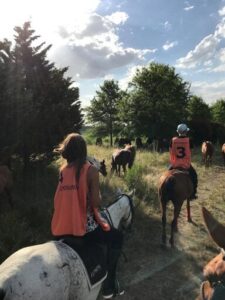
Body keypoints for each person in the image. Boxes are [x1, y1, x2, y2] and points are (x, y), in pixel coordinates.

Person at [51, 133, 124, 299]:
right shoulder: (91, 170)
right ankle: (109, 284)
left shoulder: (62, 170)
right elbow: (96, 203)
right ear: (83, 150)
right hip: (85, 228)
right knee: (117, 237)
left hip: (61, 227)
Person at [169, 123, 198, 199]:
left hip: (175, 164)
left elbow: (170, 151)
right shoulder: (189, 140)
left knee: (167, 175)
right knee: (194, 177)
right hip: (186, 165)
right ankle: (193, 194)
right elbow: (192, 151)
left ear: (178, 131)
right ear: (186, 131)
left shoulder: (173, 140)